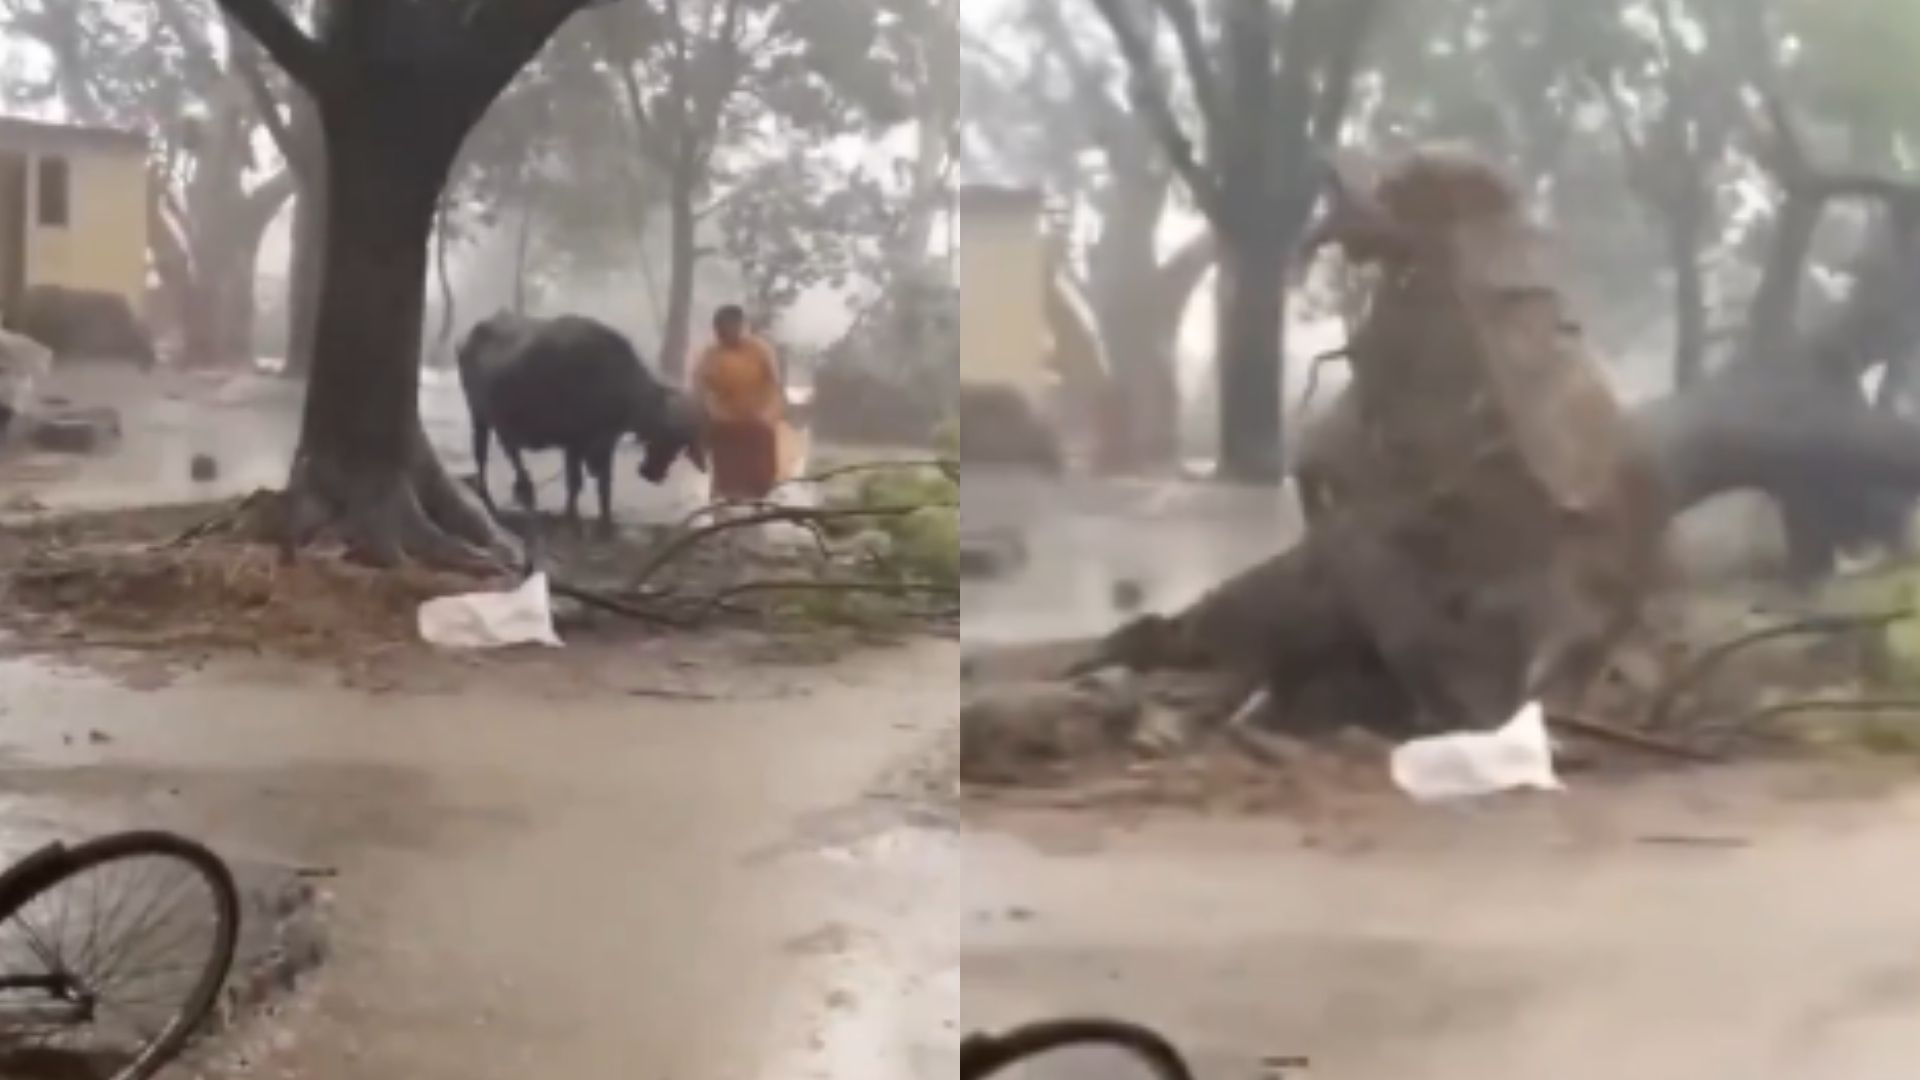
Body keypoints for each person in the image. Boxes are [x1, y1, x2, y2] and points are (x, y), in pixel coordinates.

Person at [691, 304, 785, 503]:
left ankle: (760, 497)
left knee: (761, 446)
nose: (723, 334)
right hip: (724, 416)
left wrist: (765, 412)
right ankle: (724, 495)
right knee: (721, 448)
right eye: (719, 330)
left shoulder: (760, 349)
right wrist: (711, 409)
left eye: (728, 328)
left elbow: (773, 384)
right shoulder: (712, 353)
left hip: (758, 414)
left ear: (741, 326)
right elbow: (700, 386)